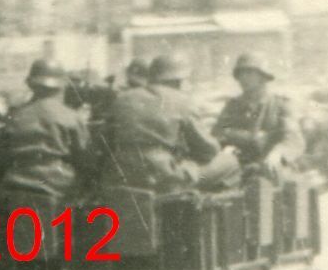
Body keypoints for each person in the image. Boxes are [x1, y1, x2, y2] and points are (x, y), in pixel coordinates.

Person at [0, 59, 91, 256]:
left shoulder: (14, 116)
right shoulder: (71, 117)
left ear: (31, 84)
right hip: (60, 186)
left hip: (17, 187)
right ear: (61, 86)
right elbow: (85, 159)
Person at [98, 55, 235, 193]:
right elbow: (208, 150)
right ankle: (204, 211)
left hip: (120, 177)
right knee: (230, 163)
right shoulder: (182, 101)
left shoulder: (123, 98)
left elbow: (104, 141)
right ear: (178, 81)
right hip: (163, 180)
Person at [214, 53, 304, 176]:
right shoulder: (232, 105)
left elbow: (293, 139)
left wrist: (278, 154)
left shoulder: (280, 104)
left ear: (262, 76)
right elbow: (217, 135)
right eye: (240, 74)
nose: (243, 78)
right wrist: (228, 146)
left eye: (249, 73)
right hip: (239, 166)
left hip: (273, 166)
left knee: (270, 179)